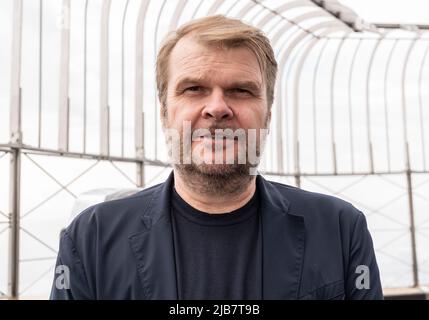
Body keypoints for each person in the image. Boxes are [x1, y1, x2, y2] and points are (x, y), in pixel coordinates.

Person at [50, 15, 383, 300]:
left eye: (241, 90)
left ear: (267, 113)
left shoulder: (340, 230)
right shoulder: (90, 239)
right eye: (194, 89)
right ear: (165, 112)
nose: (218, 108)